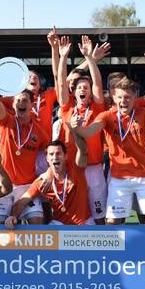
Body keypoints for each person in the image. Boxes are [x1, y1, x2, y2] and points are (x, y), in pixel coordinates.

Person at [71, 77, 145, 225]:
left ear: (135, 97)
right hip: (118, 178)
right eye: (120, 97)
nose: (124, 101)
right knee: (112, 221)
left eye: (128, 97)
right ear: (114, 97)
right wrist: (77, 128)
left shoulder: (144, 113)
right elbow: (89, 132)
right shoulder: (107, 116)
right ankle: (114, 249)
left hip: (144, 177)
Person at [55, 35, 108, 224]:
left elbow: (98, 84)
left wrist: (90, 59)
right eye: (79, 87)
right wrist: (62, 57)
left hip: (94, 167)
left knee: (99, 214)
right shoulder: (66, 108)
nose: (83, 90)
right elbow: (61, 83)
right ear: (74, 92)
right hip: (72, 168)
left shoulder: (97, 107)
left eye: (86, 87)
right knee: (73, 214)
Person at [0, 79, 48, 224]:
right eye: (18, 100)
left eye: (25, 100)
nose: (21, 103)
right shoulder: (6, 121)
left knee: (37, 221)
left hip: (27, 186)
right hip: (4, 184)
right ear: (13, 105)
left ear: (32, 105)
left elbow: (48, 157)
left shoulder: (40, 133)